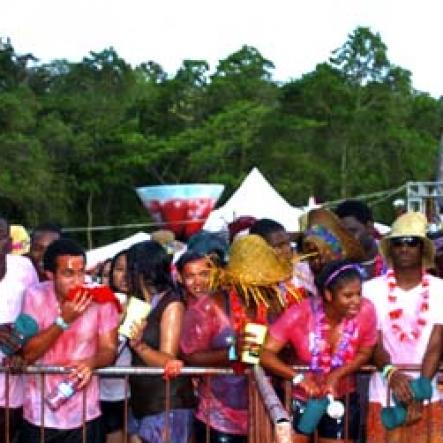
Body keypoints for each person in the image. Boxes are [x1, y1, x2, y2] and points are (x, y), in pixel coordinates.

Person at [180, 234, 297, 443]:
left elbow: (289, 348)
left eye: (265, 281)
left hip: (263, 415)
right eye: (255, 282)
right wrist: (234, 352)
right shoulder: (210, 306)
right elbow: (191, 356)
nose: (260, 287)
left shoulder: (275, 305)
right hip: (218, 419)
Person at [260, 259, 377, 443]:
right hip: (299, 399)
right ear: (329, 295)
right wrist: (298, 378)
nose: (356, 301)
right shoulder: (299, 313)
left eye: (358, 294)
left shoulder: (367, 310)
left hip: (342, 397)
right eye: (348, 296)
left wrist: (337, 374)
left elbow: (366, 352)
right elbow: (265, 354)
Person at [20, 238, 119, 443]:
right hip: (39, 413)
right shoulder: (34, 296)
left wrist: (91, 362)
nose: (78, 280)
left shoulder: (100, 297)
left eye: (81, 272)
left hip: (85, 413)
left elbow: (109, 350)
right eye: (68, 273)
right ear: (50, 275)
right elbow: (28, 354)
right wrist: (63, 321)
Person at [364, 212, 443, 443]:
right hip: (383, 393)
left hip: (428, 394)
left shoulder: (440, 289)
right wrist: (392, 374)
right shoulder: (371, 289)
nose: (404, 248)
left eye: (412, 242)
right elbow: (372, 341)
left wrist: (419, 392)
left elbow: (436, 345)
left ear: (422, 249)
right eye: (398, 242)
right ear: (391, 249)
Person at [125, 241, 195, 443]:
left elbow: (168, 360)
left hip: (167, 403)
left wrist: (140, 346)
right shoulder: (139, 303)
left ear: (140, 271)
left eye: (128, 268)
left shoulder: (172, 304)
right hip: (142, 401)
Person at [0, 216, 39, 441]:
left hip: (14, 377)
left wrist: (23, 352)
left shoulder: (23, 268)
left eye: (0, 236)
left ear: (9, 242)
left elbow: (36, 313)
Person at [100, 250, 130, 443]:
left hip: (138, 392)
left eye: (129, 269)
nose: (124, 275)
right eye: (119, 269)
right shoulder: (101, 302)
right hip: (106, 392)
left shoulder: (148, 301)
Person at [302, 209, 366, 287]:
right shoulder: (302, 283)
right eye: (312, 257)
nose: (321, 261)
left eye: (327, 255)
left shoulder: (356, 281)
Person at [335, 200, 383, 279]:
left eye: (352, 231)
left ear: (369, 227)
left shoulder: (393, 257)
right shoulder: (337, 267)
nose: (347, 239)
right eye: (342, 234)